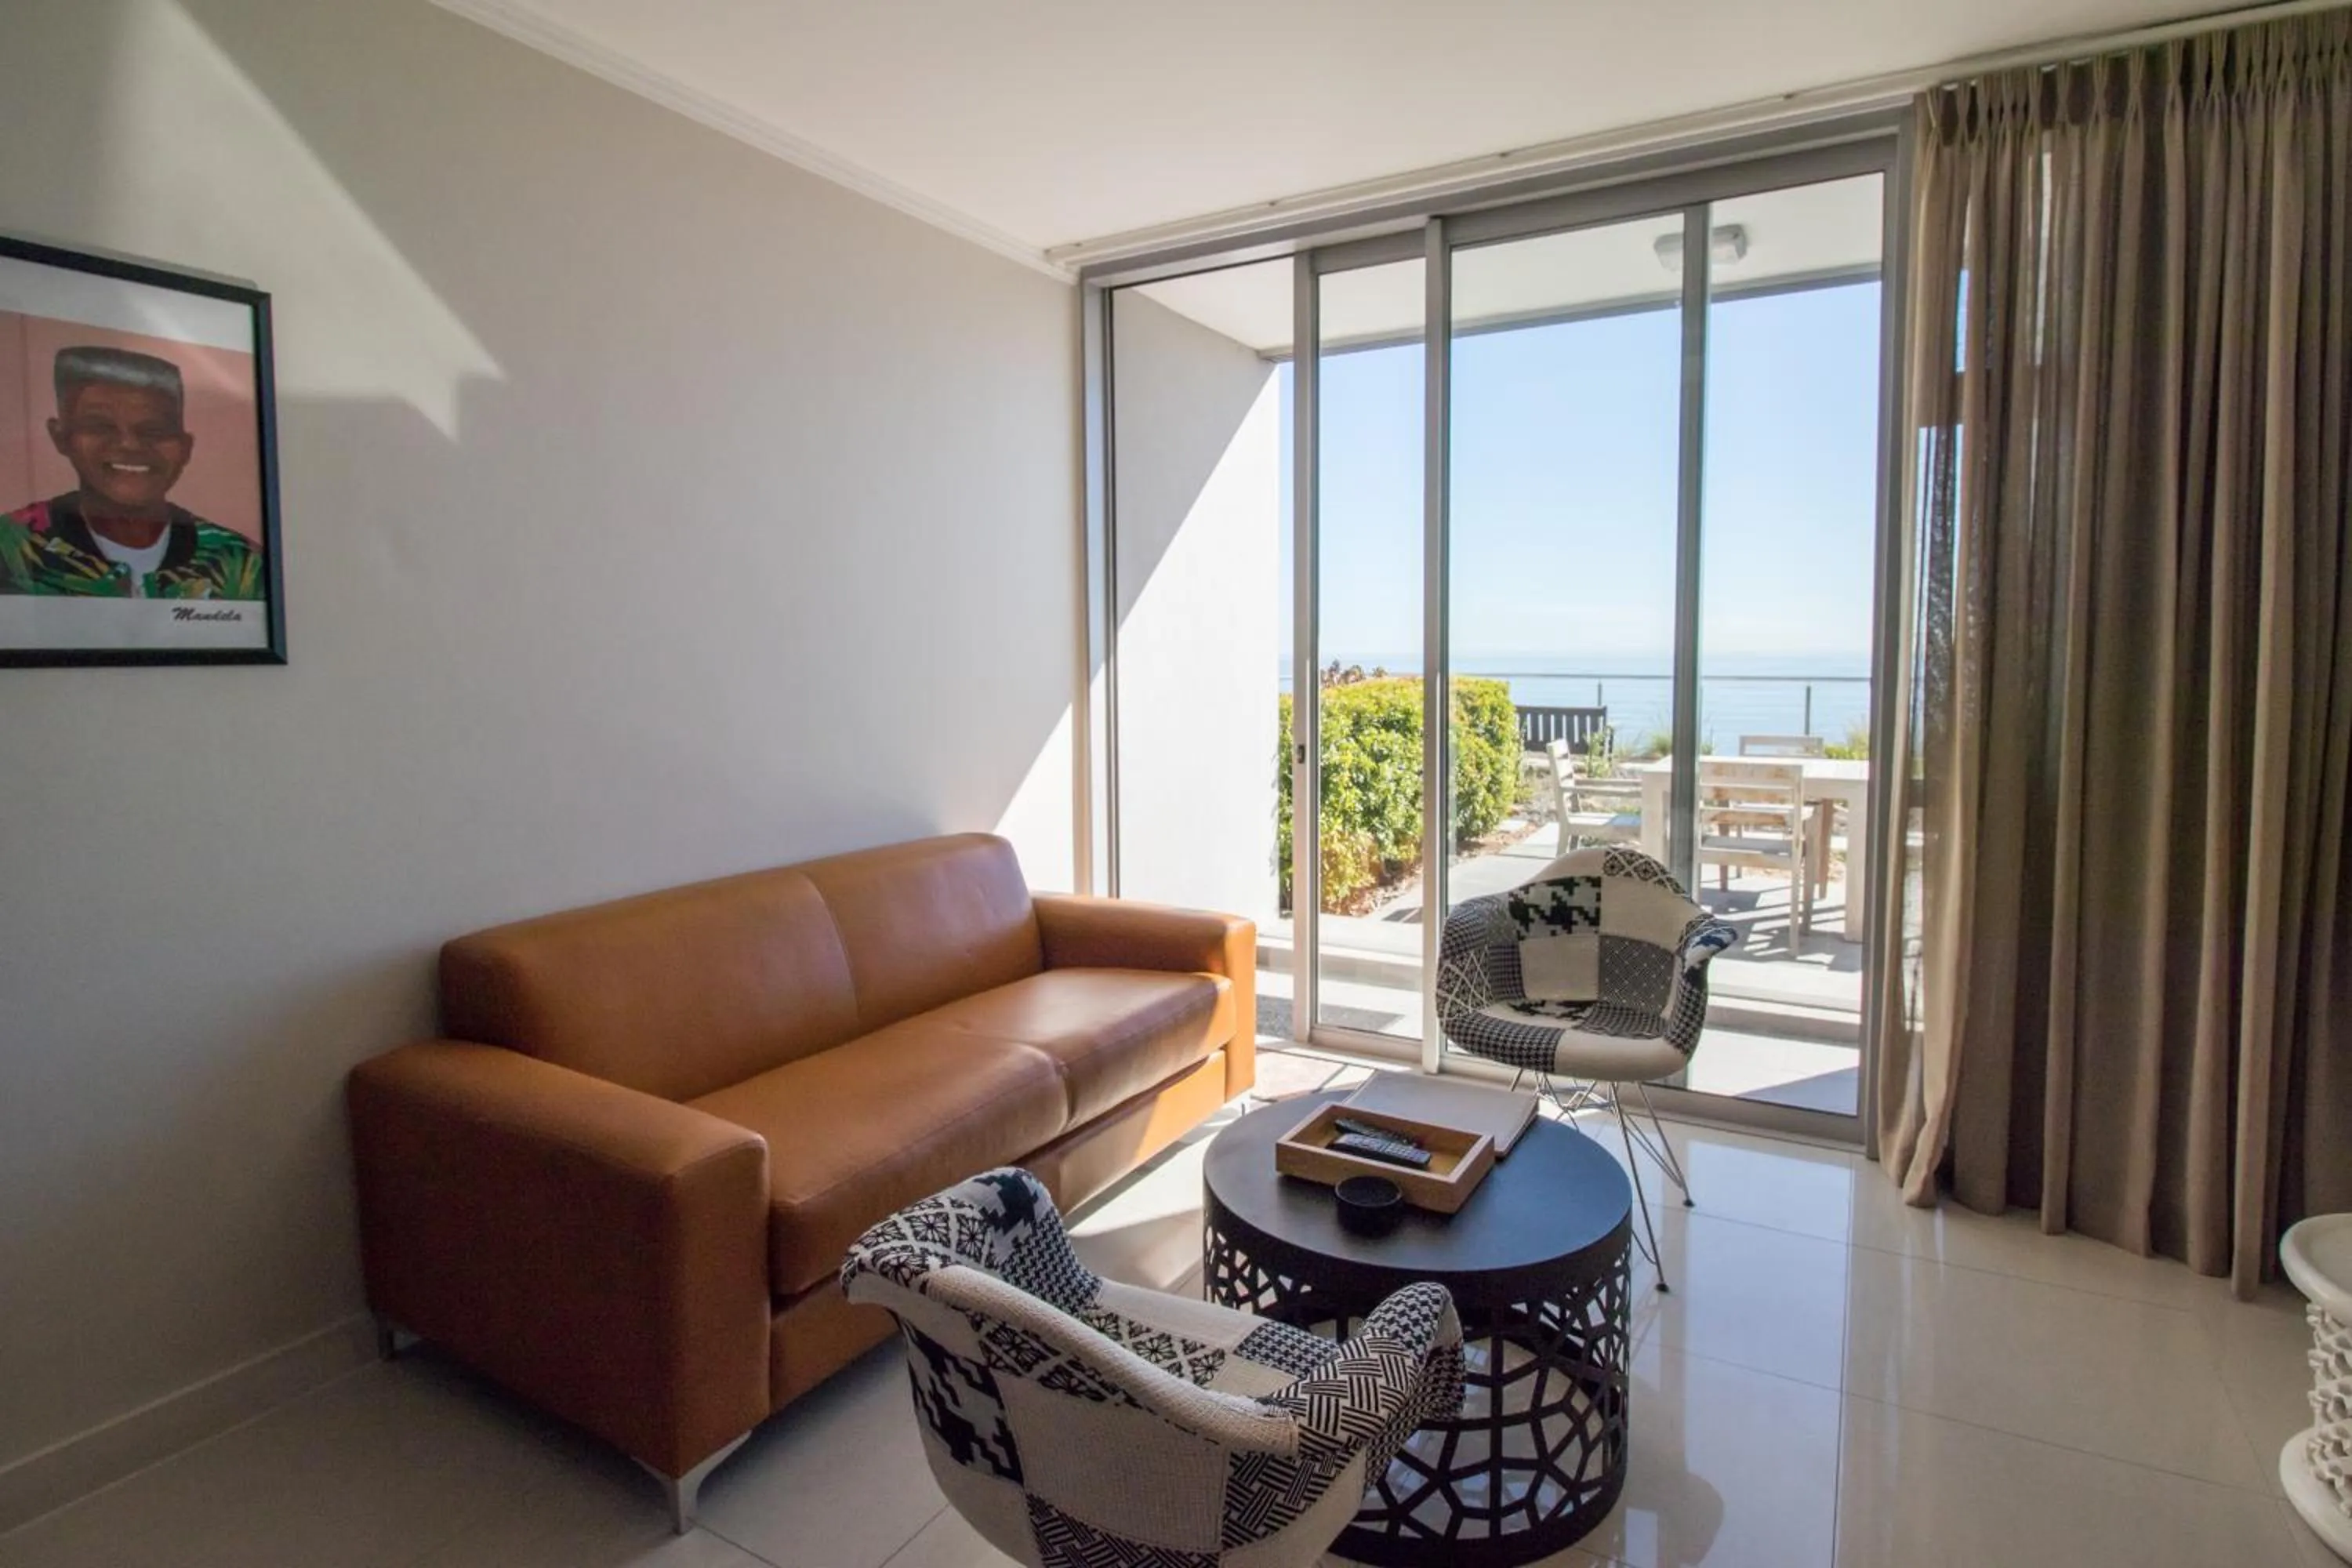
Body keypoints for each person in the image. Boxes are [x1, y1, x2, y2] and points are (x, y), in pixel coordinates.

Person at [0, 345, 263, 599]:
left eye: (154, 430)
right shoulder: (10, 548)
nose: (130, 445)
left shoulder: (241, 563)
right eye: (100, 426)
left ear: (185, 448)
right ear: (61, 437)